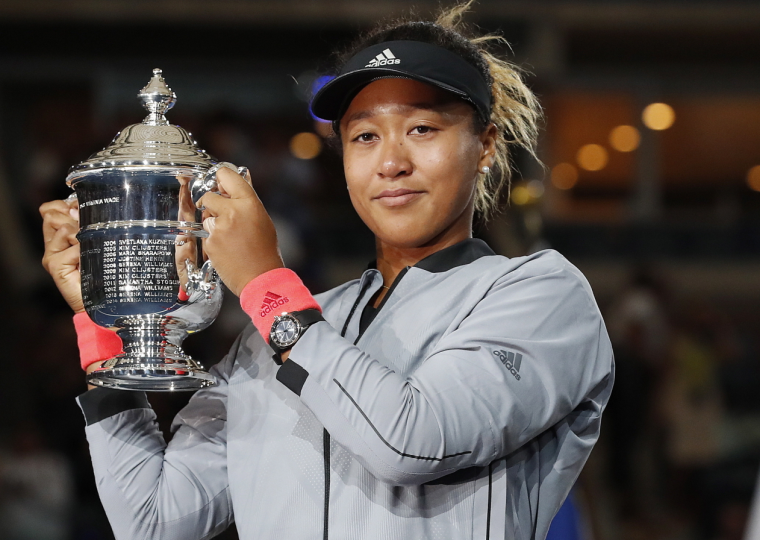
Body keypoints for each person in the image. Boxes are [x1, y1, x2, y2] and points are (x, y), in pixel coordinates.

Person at [38, 3, 614, 539]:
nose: (391, 162)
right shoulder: (269, 340)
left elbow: (411, 442)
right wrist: (107, 325)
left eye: (423, 129)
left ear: (484, 146)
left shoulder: (541, 296)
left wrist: (267, 289)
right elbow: (153, 520)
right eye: (365, 136)